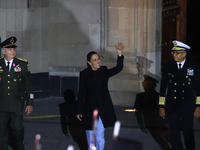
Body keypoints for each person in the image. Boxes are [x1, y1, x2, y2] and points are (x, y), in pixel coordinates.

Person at [76, 43, 124, 150]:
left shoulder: (103, 71)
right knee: (91, 139)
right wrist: (79, 110)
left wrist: (119, 53)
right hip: (89, 110)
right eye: (94, 60)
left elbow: (118, 68)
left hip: (102, 109)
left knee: (100, 138)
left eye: (98, 59)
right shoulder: (84, 74)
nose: (98, 61)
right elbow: (81, 93)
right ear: (89, 62)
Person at [159, 40, 200, 150]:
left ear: (184, 54)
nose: (174, 55)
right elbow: (163, 88)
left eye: (177, 53)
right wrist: (161, 106)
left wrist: (198, 106)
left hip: (187, 105)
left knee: (188, 132)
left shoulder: (193, 67)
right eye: (173, 52)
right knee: (174, 133)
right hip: (173, 105)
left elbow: (198, 89)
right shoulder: (168, 66)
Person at [0, 36, 34, 150]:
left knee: (17, 128)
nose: (12, 51)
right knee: (1, 129)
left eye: (14, 49)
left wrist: (30, 102)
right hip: (1, 104)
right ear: (3, 51)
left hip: (16, 103)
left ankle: (19, 145)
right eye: (9, 49)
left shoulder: (22, 65)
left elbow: (28, 86)